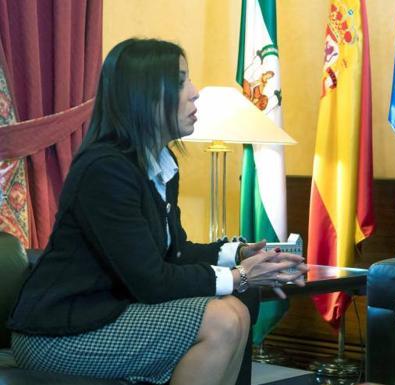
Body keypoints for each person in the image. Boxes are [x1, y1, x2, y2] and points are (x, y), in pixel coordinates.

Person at [7, 38, 307, 385]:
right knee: (222, 320)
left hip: (110, 312)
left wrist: (238, 254)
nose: (194, 93)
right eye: (180, 81)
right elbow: (151, 280)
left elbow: (174, 253)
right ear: (144, 96)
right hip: (58, 332)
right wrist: (240, 276)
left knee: (236, 313)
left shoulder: (157, 165)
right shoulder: (104, 170)